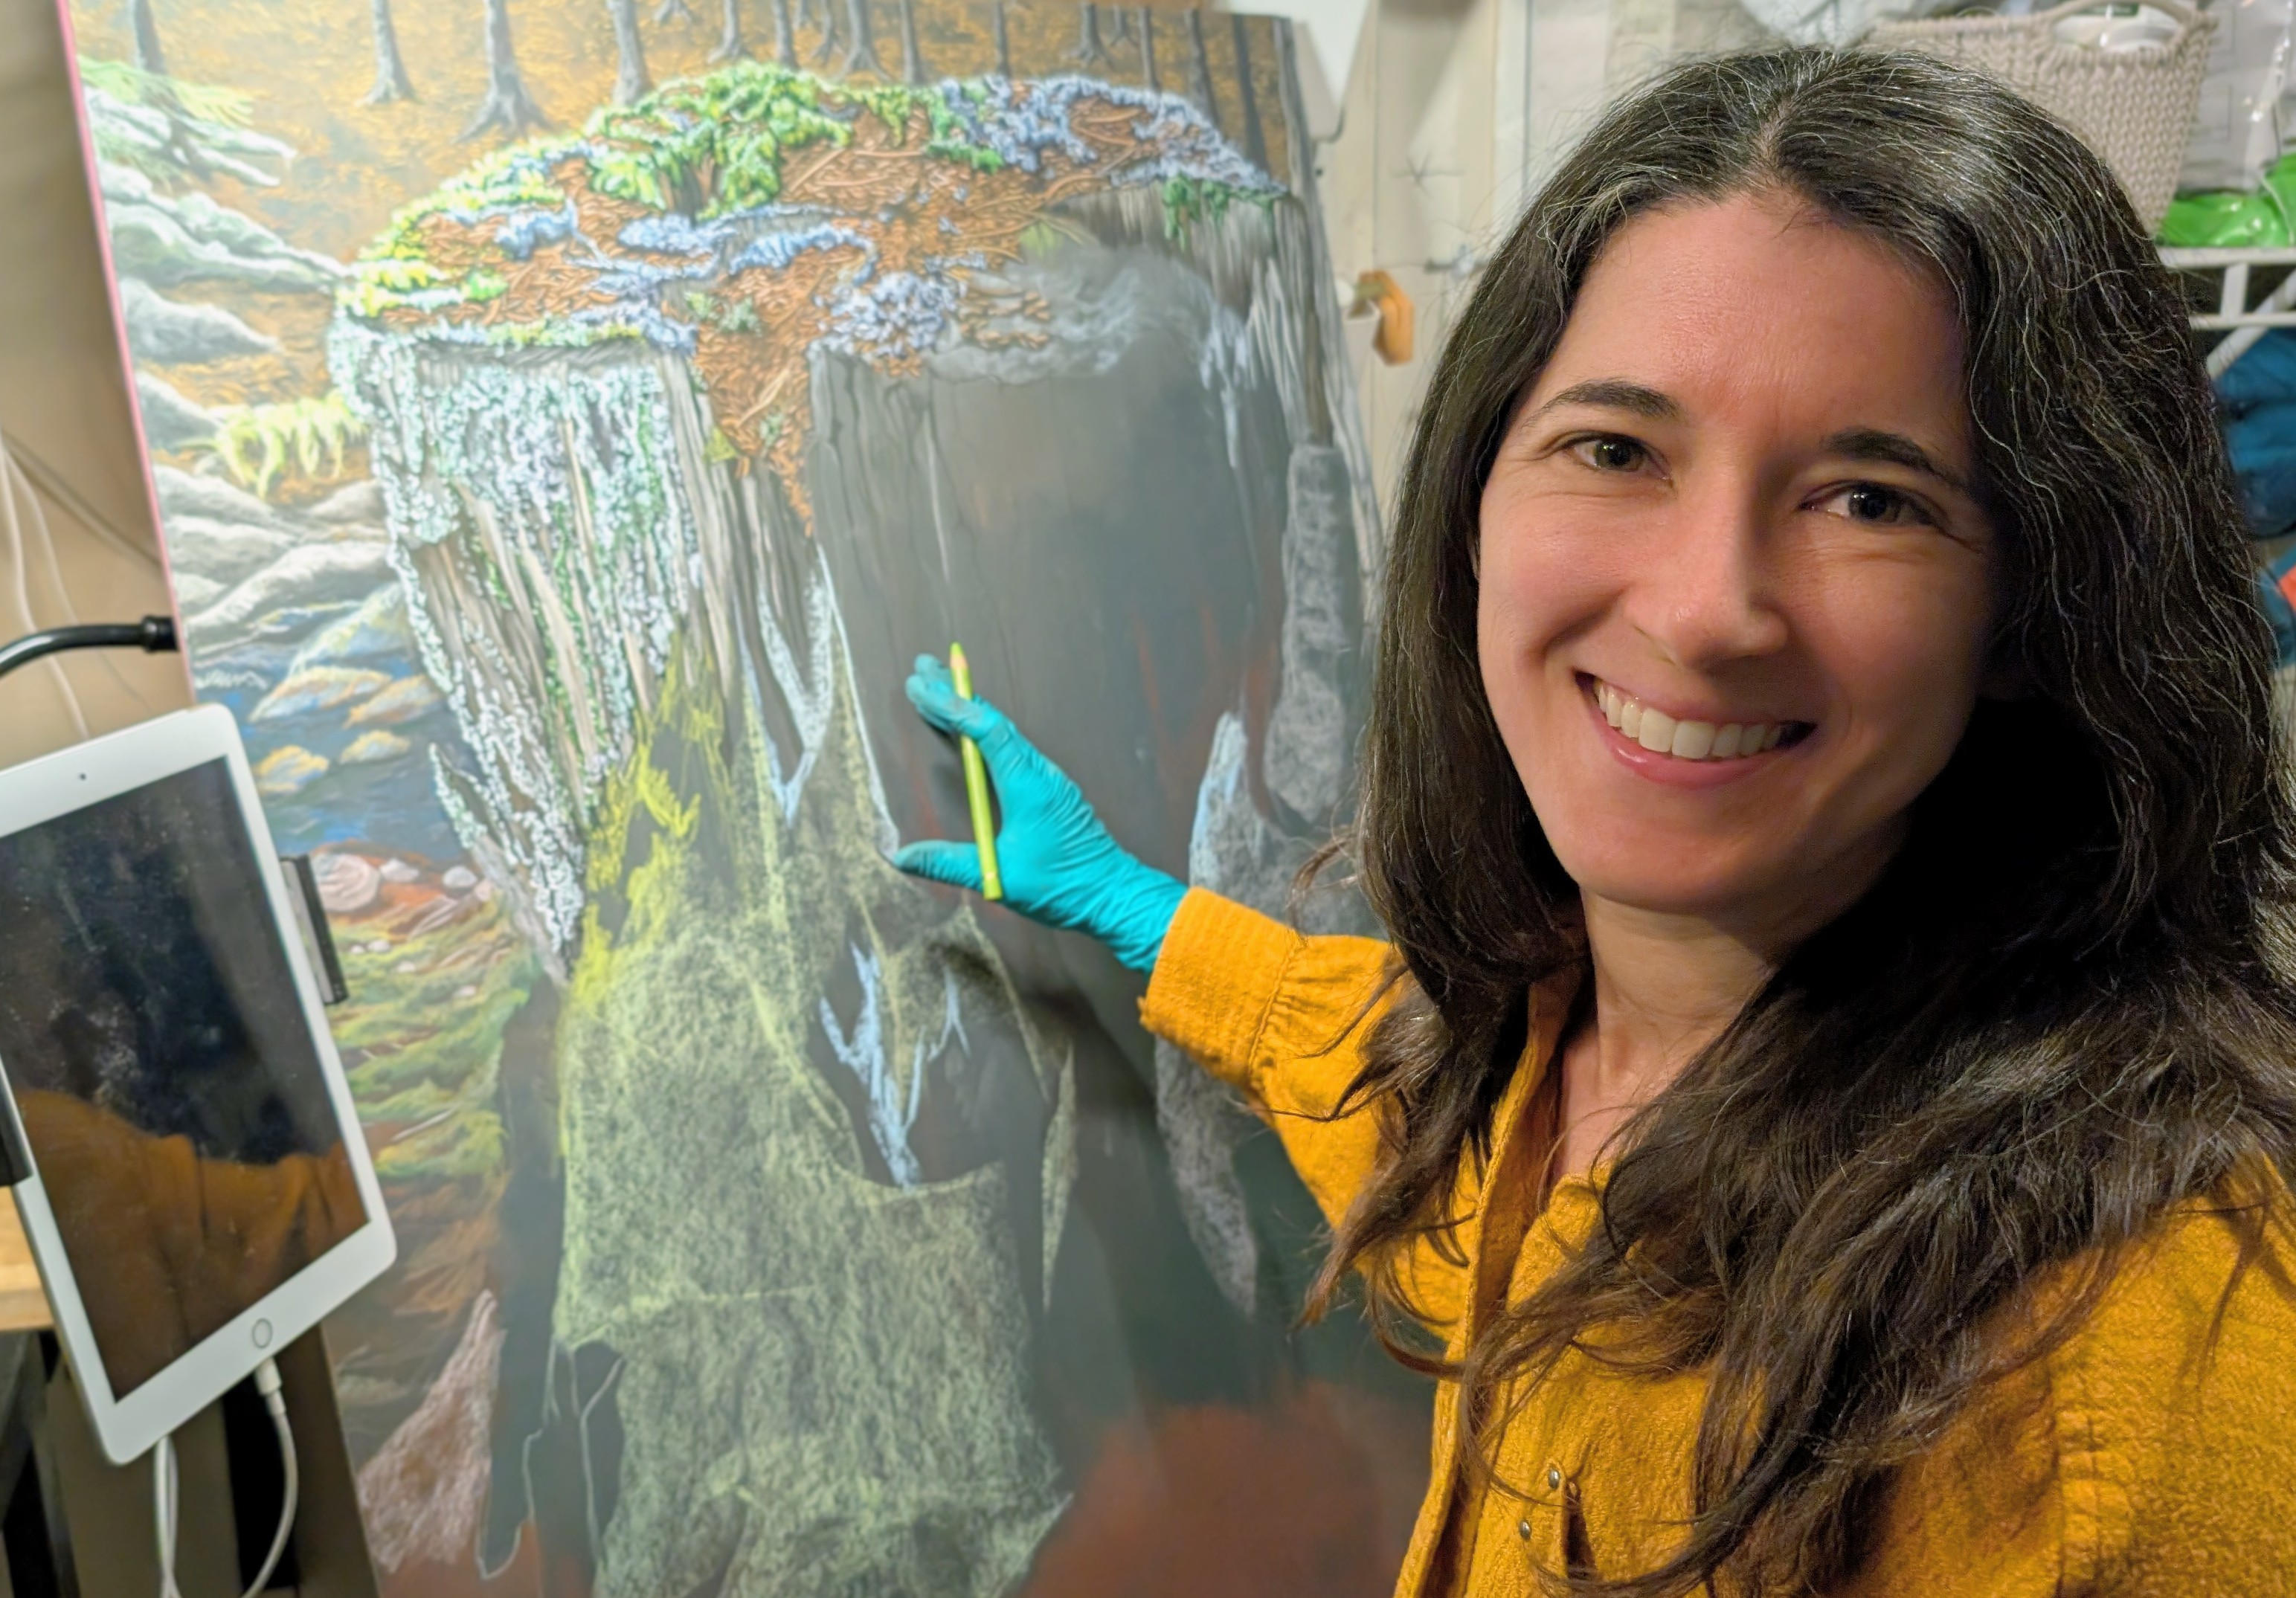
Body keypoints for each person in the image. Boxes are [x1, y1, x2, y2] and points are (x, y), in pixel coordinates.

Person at [894, 46, 2296, 1598]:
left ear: (2037, 612)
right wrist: (1141, 914)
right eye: (1614, 450)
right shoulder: (1570, 1036)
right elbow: (1411, 1110)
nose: (1704, 613)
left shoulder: (2129, 1369)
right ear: (1476, 499)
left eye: (1869, 498)